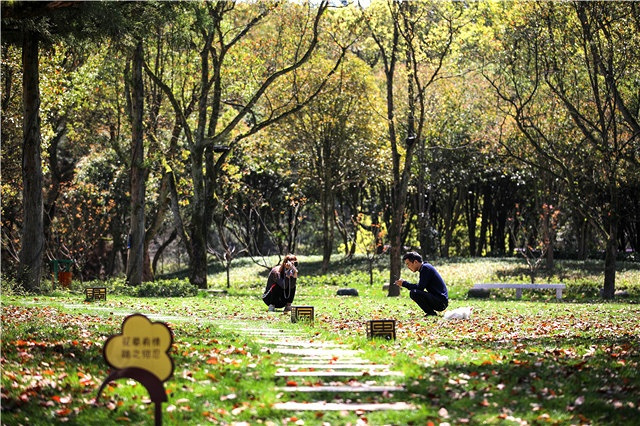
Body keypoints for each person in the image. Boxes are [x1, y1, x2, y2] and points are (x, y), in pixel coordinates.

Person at [395, 251, 448, 317]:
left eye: (408, 264)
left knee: (414, 292)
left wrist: (404, 284)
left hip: (441, 302)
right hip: (439, 301)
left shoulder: (425, 268)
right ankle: (431, 312)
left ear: (415, 262)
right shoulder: (425, 267)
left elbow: (420, 287)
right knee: (414, 292)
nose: (408, 267)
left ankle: (431, 313)